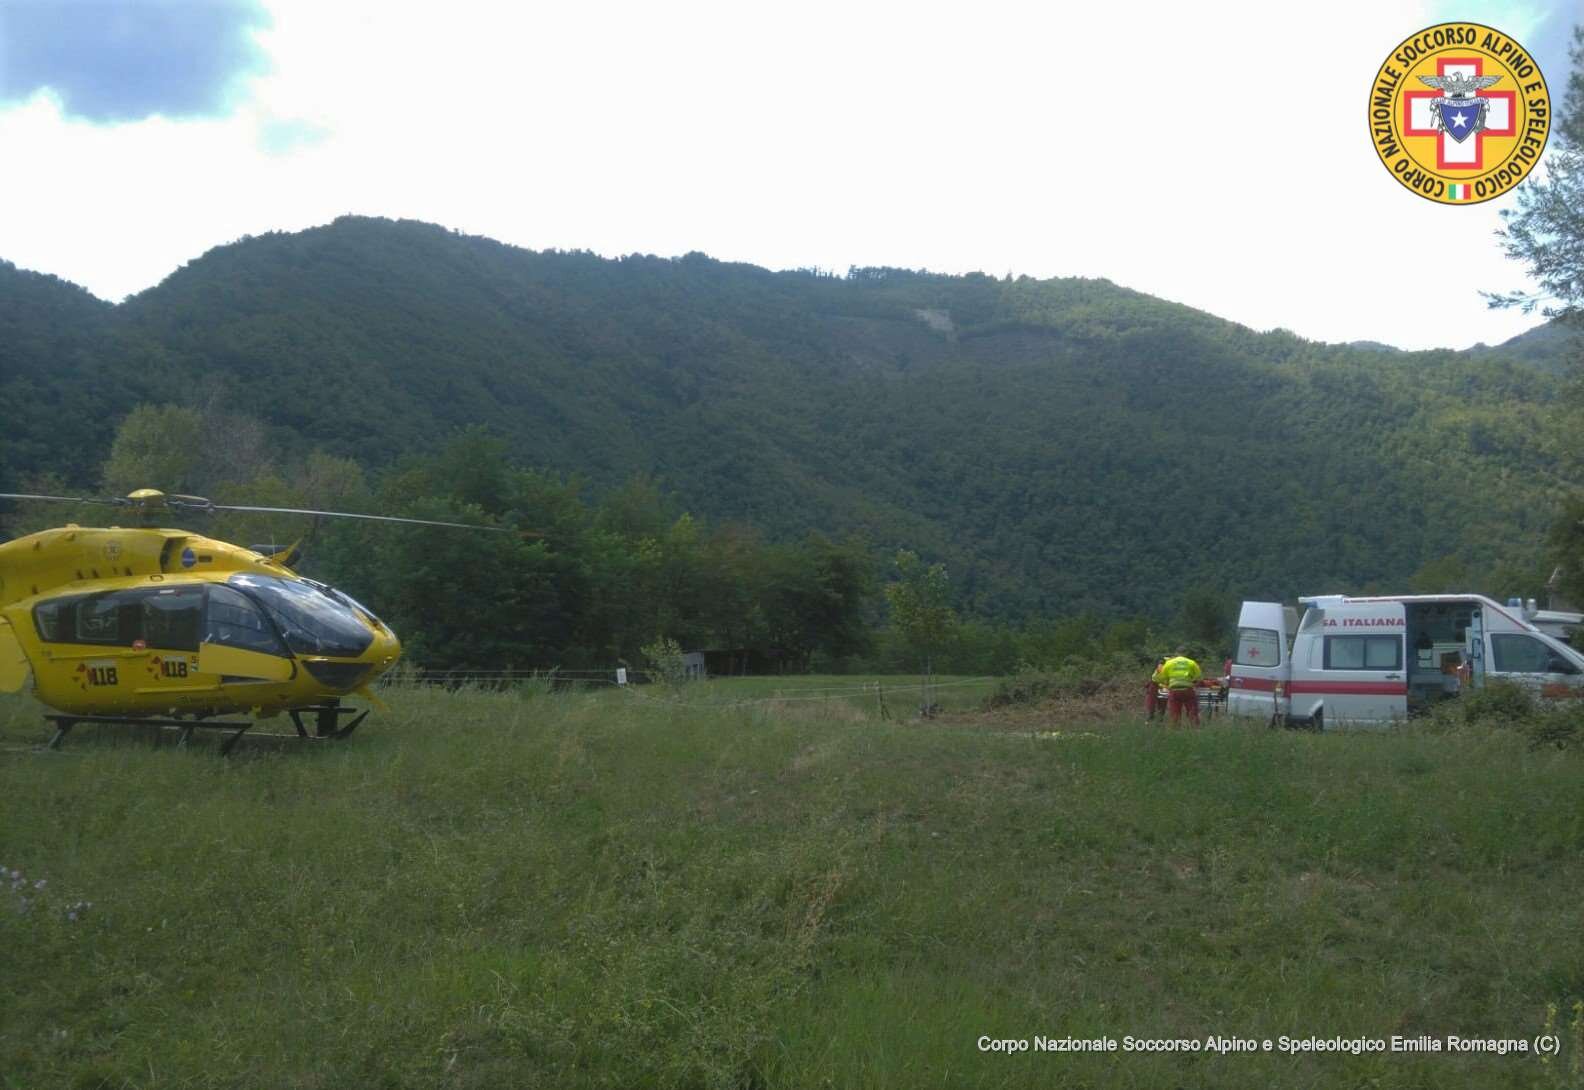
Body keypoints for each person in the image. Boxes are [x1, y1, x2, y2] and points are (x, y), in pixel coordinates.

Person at [1152, 648, 1203, 726]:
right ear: (1186, 653)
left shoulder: (1169, 663)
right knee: (1192, 713)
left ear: (1176, 653)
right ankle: (1195, 728)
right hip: (1188, 691)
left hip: (1174, 691)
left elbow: (1161, 678)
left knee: (1175, 714)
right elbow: (1199, 677)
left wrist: (1166, 684)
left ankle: (1175, 729)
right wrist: (1193, 682)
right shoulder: (1191, 662)